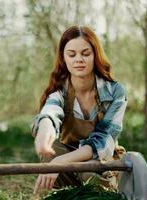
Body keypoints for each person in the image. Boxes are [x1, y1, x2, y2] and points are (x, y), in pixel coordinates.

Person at [31, 25, 128, 195]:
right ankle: (66, 194)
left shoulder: (115, 93)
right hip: (68, 162)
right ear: (64, 58)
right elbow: (50, 111)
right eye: (71, 54)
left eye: (85, 54)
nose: (78, 60)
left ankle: (101, 190)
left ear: (95, 55)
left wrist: (60, 161)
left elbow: (103, 140)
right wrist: (45, 125)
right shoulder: (59, 93)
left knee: (88, 173)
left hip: (102, 161)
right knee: (51, 150)